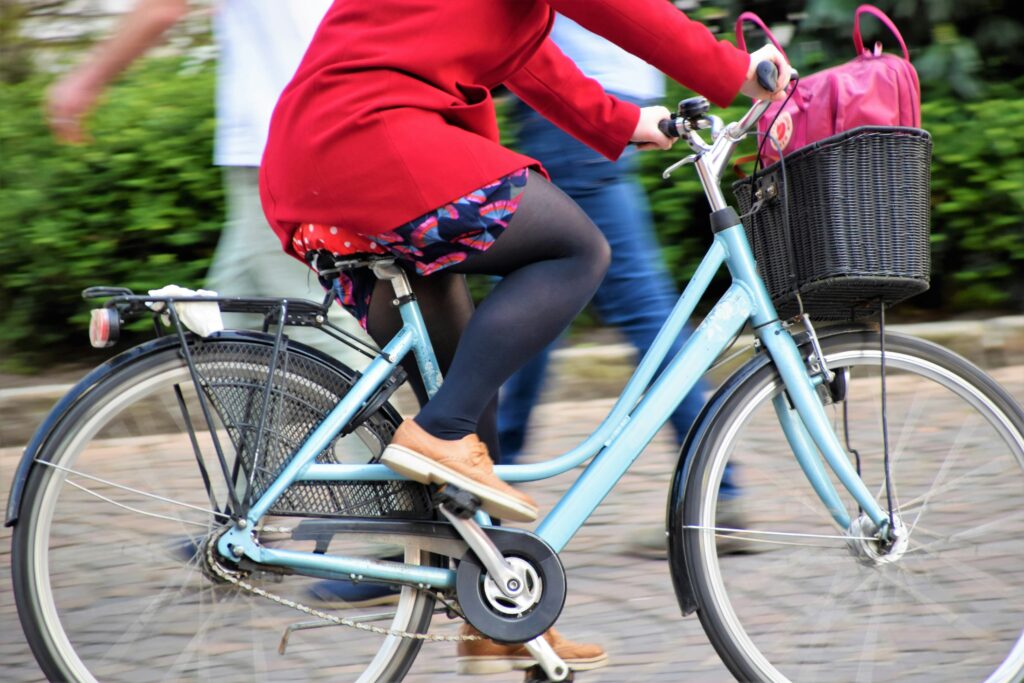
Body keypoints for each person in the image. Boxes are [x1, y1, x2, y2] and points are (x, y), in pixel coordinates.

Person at [260, 0, 789, 671]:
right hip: (367, 142)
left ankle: (499, 611)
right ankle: (441, 432)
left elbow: (528, 58)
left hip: (328, 155)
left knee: (474, 389)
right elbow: (620, 10)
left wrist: (628, 122)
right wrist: (735, 71)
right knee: (575, 251)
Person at [496, 18, 743, 558]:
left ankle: (492, 484)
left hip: (573, 107)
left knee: (605, 307)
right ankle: (494, 480)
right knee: (546, 302)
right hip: (613, 101)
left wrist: (737, 71)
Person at [46, 0, 370, 365]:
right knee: (227, 334)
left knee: (313, 329)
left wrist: (83, 81)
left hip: (284, 144)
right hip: (284, 142)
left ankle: (388, 422)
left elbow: (161, 7)